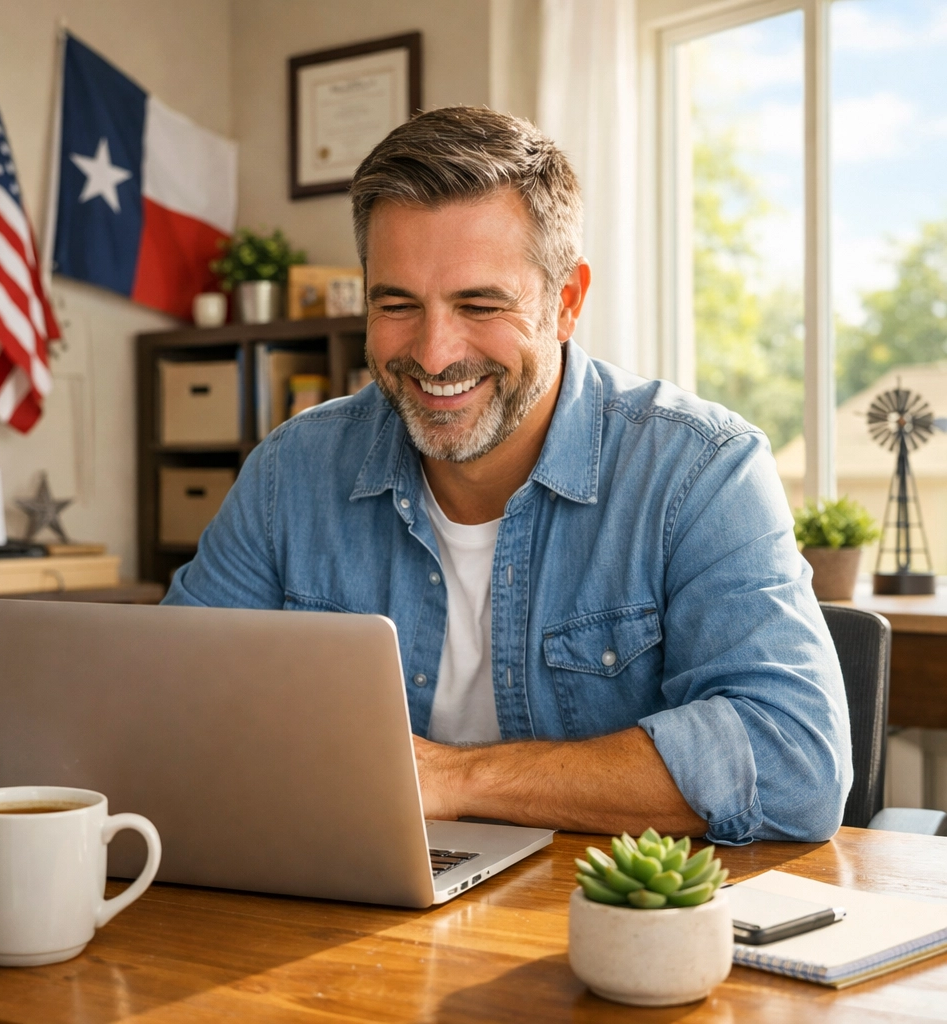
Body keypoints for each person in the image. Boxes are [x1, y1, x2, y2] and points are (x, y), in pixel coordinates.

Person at [164, 106, 851, 844]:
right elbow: (166, 704)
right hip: (342, 890)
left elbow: (795, 761)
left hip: (595, 905)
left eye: (480, 304)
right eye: (397, 304)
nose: (433, 354)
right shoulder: (290, 471)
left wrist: (458, 781)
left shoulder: (702, 469)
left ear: (567, 302)